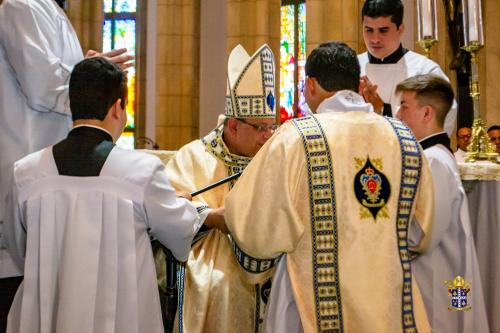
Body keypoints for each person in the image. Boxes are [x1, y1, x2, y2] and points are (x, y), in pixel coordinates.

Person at [2, 57, 225, 333]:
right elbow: (179, 230)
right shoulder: (140, 171)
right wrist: (182, 203)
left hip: (45, 317)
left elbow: (17, 245)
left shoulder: (25, 173)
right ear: (119, 108)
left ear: (72, 104)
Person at [225, 41, 435, 333]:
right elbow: (420, 233)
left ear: (310, 84)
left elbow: (255, 228)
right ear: (355, 82)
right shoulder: (404, 138)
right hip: (391, 304)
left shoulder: (296, 138)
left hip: (309, 304)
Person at [0, 1, 133, 330]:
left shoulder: (54, 12)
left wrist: (86, 68)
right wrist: (91, 72)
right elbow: (42, 87)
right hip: (26, 163)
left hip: (47, 171)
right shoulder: (21, 6)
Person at [164, 44, 278, 333]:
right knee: (220, 285)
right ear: (234, 127)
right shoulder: (194, 156)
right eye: (261, 128)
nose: (268, 136)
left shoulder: (276, 157)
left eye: (272, 126)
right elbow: (165, 207)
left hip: (270, 261)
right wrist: (211, 216)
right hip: (212, 259)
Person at [395, 74, 489, 333]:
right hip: (449, 274)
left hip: (440, 279)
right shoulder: (434, 156)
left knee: (451, 321)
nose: (398, 114)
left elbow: (423, 234)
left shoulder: (433, 161)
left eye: (404, 105)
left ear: (427, 113)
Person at [358, 0, 457, 136]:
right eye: (369, 30)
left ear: (400, 29)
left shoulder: (425, 70)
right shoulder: (352, 67)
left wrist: (383, 111)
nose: (375, 39)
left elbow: (444, 118)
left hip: (411, 155)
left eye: (383, 30)